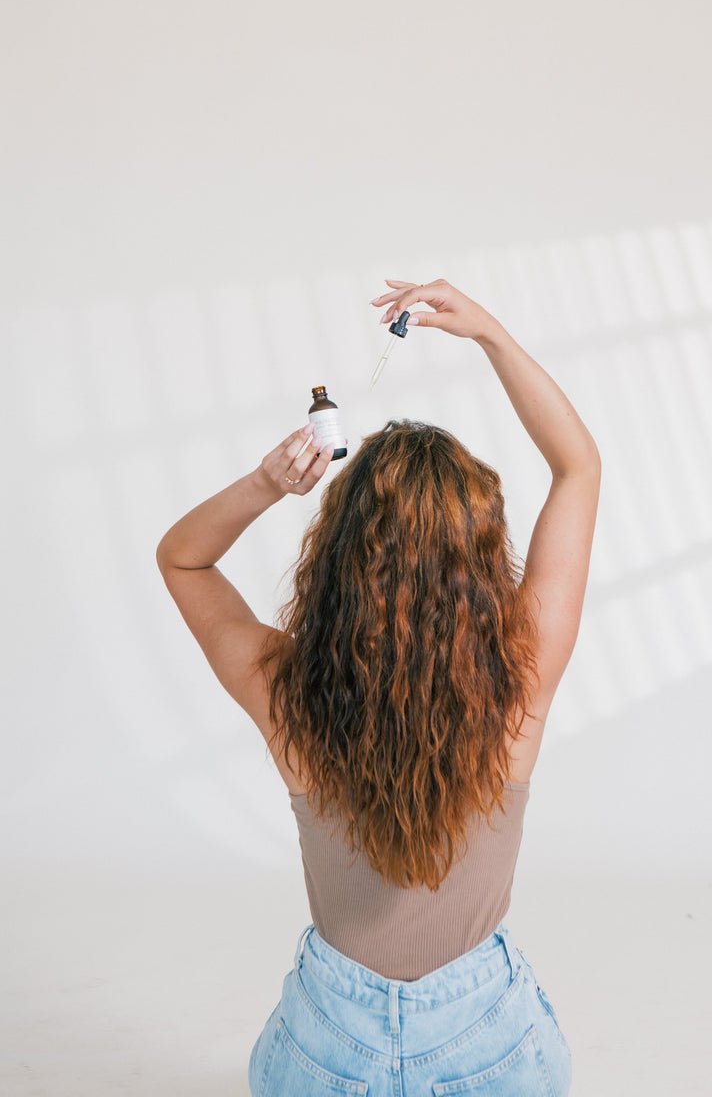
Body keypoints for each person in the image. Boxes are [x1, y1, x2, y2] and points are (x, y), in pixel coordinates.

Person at [156, 278, 601, 1096]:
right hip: (487, 1047)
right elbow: (577, 467)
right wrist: (493, 336)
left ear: (338, 551)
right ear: (479, 560)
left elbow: (182, 558)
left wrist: (266, 483)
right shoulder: (522, 676)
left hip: (326, 1048)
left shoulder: (282, 686)